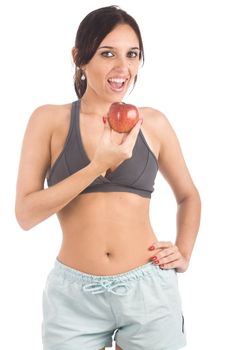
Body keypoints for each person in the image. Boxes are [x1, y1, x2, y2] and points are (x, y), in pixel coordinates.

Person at [15, 5, 201, 350]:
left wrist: (184, 251)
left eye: (132, 54)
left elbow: (188, 195)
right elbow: (25, 215)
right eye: (107, 53)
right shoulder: (49, 121)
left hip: (149, 289)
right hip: (73, 298)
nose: (123, 67)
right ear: (79, 58)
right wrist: (97, 166)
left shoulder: (154, 123)